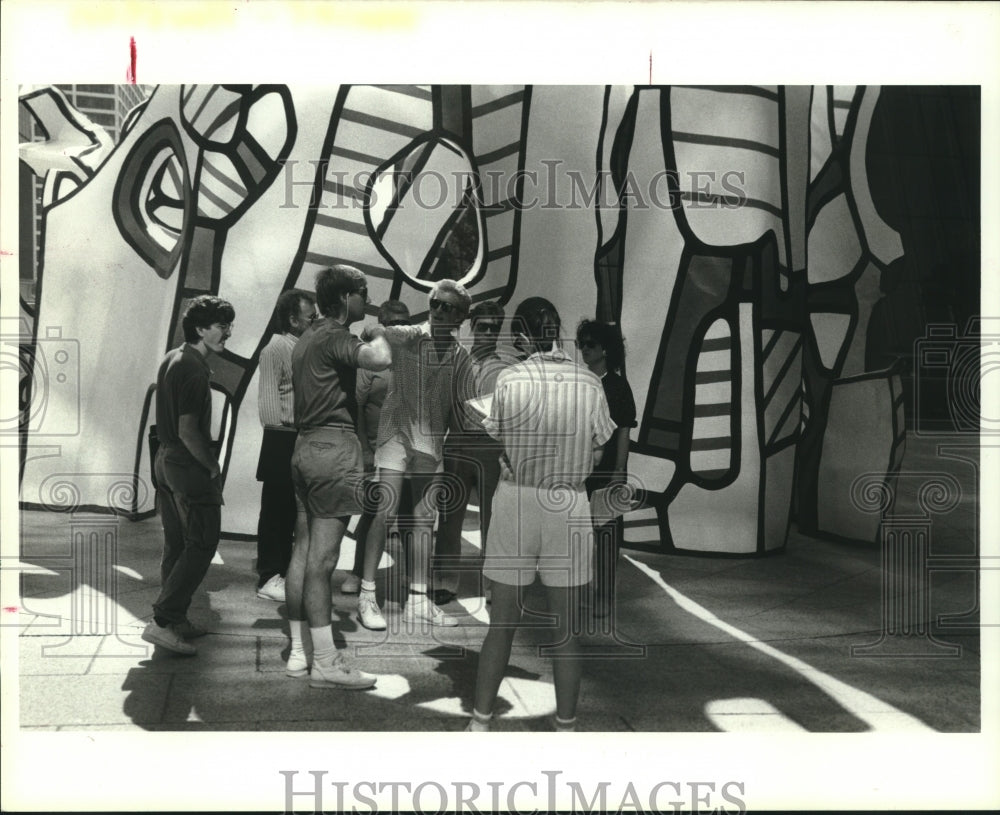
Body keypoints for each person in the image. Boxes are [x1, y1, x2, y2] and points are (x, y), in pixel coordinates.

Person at [468, 297, 616, 732]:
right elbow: (600, 443)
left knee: (502, 625)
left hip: (517, 501)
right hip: (568, 504)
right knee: (566, 630)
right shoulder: (589, 381)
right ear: (556, 333)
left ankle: (479, 722)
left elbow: (493, 431)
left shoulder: (511, 380)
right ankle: (566, 726)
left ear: (520, 336)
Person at [283, 265, 392, 689]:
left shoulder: (307, 338)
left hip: (305, 448)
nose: (367, 300)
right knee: (323, 562)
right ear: (347, 297)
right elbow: (379, 358)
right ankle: (326, 664)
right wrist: (380, 333)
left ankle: (298, 652)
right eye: (363, 293)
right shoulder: (334, 334)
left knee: (303, 552)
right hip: (334, 450)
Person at [356, 279, 476, 631]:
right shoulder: (409, 336)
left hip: (431, 445)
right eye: (436, 304)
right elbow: (375, 330)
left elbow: (459, 408)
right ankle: (367, 594)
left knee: (424, 523)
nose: (439, 311)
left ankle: (418, 601)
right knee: (385, 514)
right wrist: (378, 336)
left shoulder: (461, 356)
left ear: (460, 317)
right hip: (395, 440)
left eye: (448, 308)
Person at [142, 295, 236, 656]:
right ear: (201, 329)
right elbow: (188, 429)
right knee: (203, 542)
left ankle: (175, 619)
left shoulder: (174, 357)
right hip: (185, 464)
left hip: (164, 462)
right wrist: (212, 467)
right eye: (222, 325)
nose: (228, 332)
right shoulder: (195, 368)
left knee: (178, 544)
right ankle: (164, 621)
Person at [432, 300, 506, 605]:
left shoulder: (507, 368)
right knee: (450, 518)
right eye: (483, 326)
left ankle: (492, 585)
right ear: (471, 326)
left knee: (494, 519)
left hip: (491, 447)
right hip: (458, 445)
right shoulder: (455, 362)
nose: (488, 332)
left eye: (494, 327)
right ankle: (445, 582)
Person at [341, 299, 411, 595]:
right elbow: (356, 407)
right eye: (393, 323)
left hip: (408, 451)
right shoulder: (371, 360)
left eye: (403, 323)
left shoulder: (414, 358)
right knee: (373, 513)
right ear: (383, 324)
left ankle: (415, 581)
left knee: (410, 517)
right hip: (375, 449)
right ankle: (357, 574)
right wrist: (364, 450)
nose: (399, 328)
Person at [254, 289, 318, 602]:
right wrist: (283, 433)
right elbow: (268, 402)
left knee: (295, 511)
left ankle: (286, 571)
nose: (315, 320)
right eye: (310, 316)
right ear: (292, 320)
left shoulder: (304, 346)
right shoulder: (277, 347)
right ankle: (269, 575)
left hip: (301, 435)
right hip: (282, 437)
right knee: (276, 511)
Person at [577, 319, 637, 619]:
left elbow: (625, 430)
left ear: (605, 349)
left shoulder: (617, 385)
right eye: (581, 344)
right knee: (580, 536)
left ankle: (604, 596)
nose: (585, 349)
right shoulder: (577, 381)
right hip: (578, 471)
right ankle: (585, 592)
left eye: (590, 344)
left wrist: (619, 470)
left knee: (606, 536)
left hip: (607, 470)